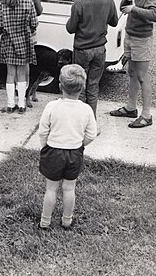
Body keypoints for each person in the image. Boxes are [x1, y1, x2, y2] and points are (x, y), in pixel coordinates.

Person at [38, 64, 97, 230]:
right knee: (69, 188)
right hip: (74, 153)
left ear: (60, 86)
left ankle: (45, 221)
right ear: (82, 88)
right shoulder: (86, 109)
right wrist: (79, 145)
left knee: (51, 188)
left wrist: (45, 147)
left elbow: (43, 131)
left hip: (53, 151)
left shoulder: (52, 106)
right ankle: (66, 220)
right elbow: (92, 134)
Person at [110, 0, 156, 129]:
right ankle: (131, 108)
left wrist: (134, 8)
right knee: (132, 72)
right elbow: (123, 8)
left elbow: (155, 15)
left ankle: (147, 115)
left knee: (142, 76)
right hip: (131, 37)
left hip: (142, 39)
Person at [66, 0, 118, 117]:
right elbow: (114, 22)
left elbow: (71, 28)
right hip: (100, 48)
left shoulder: (79, 4)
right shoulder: (108, 1)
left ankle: (79, 120)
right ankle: (91, 121)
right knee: (93, 86)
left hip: (82, 49)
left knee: (80, 86)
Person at [0, 0, 38, 113]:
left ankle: (10, 104)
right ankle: (21, 104)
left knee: (10, 74)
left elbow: (1, 24)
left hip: (8, 41)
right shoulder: (28, 2)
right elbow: (34, 23)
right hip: (24, 40)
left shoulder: (2, 3)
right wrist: (30, 29)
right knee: (22, 74)